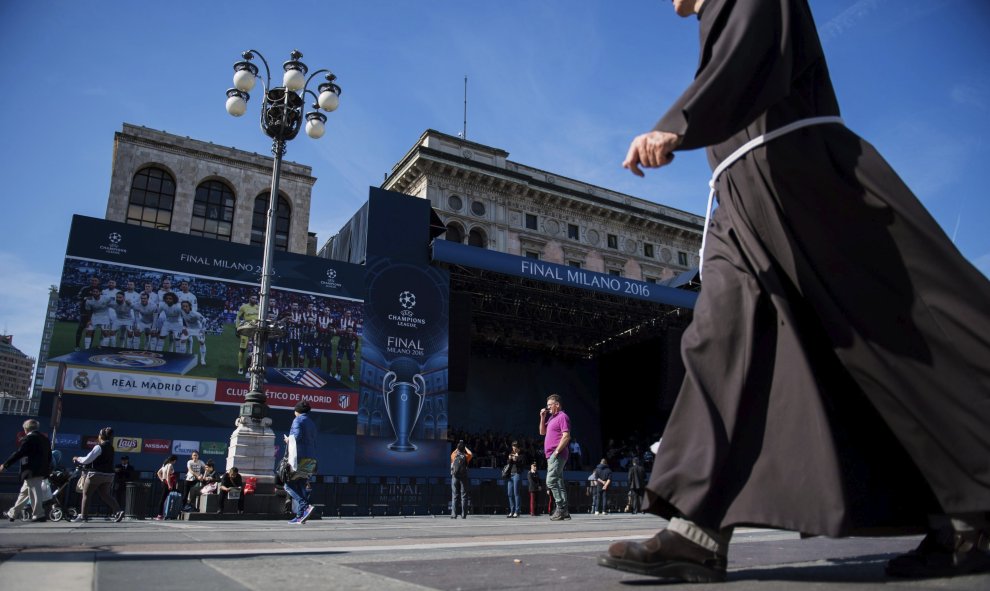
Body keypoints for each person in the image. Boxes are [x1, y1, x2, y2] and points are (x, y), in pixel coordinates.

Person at [599, 0, 990, 583]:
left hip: (803, 180)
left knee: (886, 343)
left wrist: (679, 123)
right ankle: (696, 530)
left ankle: (969, 513)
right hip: (740, 201)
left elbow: (747, 60)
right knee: (718, 342)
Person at [1, 419, 53, 522]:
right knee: (24, 493)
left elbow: (19, 453)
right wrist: (47, 470)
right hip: (41, 470)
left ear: (26, 429)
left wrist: (5, 465)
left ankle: (39, 514)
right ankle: (13, 513)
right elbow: (49, 456)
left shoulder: (29, 438)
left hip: (30, 470)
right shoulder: (44, 439)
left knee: (34, 491)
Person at [71, 427, 125, 523]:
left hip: (96, 474)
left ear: (101, 436)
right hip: (109, 476)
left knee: (86, 494)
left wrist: (77, 458)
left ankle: (83, 516)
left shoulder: (99, 447)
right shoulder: (111, 448)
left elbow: (87, 459)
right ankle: (118, 511)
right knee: (105, 494)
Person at [284, 401, 318, 524]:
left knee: (288, 485)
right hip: (311, 458)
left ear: (297, 411)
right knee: (301, 485)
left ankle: (305, 505)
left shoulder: (297, 420)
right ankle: (300, 515)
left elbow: (296, 437)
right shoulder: (312, 423)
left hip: (299, 458)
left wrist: (288, 440)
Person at [539, 393, 571, 521]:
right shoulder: (551, 418)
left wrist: (557, 451)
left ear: (557, 405)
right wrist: (542, 417)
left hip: (556, 454)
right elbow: (542, 432)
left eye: (549, 405)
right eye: (547, 406)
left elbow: (566, 436)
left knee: (550, 481)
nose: (547, 408)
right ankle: (565, 511)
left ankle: (560, 509)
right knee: (558, 482)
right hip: (551, 455)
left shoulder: (562, 417)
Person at [235, 294, 259, 375]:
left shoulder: (258, 307)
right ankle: (240, 367)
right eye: (253, 298)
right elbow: (238, 317)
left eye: (256, 298)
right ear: (249, 298)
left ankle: (251, 368)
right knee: (242, 349)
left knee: (253, 351)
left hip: (256, 331)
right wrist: (237, 328)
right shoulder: (244, 307)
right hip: (245, 330)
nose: (254, 299)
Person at [449, 440, 472, 519]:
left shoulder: (453, 455)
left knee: (455, 495)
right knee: (464, 496)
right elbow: (471, 454)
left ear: (458, 448)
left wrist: (458, 448)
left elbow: (454, 452)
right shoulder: (466, 456)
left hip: (454, 477)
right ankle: (463, 515)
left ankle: (454, 514)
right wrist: (465, 447)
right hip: (463, 477)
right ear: (463, 449)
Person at [153, 455, 178, 520]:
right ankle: (160, 515)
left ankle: (162, 514)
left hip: (164, 482)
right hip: (167, 483)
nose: (175, 462)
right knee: (163, 499)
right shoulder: (169, 465)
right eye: (175, 460)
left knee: (164, 499)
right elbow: (168, 475)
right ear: (174, 460)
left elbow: (158, 473)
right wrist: (169, 484)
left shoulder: (164, 465)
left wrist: (162, 480)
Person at [504, 441, 525, 518]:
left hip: (517, 474)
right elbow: (508, 463)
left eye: (515, 446)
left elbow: (522, 465)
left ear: (518, 448)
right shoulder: (511, 453)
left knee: (516, 493)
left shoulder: (522, 455)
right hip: (510, 475)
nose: (514, 448)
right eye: (513, 446)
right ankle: (511, 511)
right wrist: (510, 459)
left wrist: (517, 459)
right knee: (509, 493)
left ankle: (517, 511)